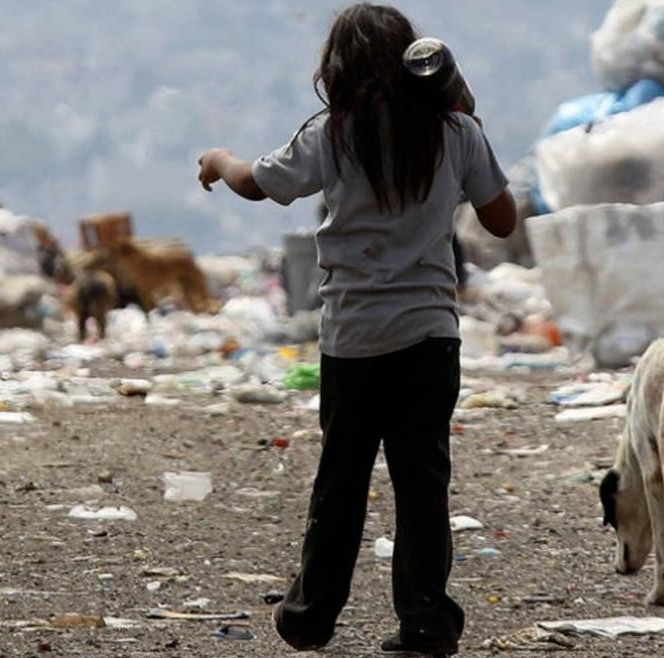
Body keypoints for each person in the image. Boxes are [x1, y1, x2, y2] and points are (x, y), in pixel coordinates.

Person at [196, 4, 516, 655]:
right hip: (431, 336)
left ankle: (311, 616)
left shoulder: (334, 132)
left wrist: (219, 159)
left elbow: (260, 185)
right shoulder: (454, 132)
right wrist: (467, 112)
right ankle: (426, 622)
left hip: (354, 337)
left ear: (337, 68)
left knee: (341, 481)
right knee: (422, 483)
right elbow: (504, 220)